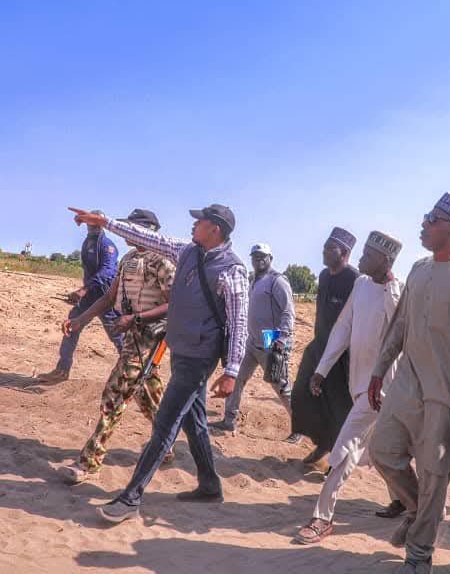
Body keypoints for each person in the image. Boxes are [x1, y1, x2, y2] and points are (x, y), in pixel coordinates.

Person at [67, 203, 247, 523]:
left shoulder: (233, 270)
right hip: (180, 349)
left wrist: (232, 371)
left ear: (215, 229)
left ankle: (131, 497)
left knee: (165, 424)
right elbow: (149, 238)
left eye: (199, 221)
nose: (193, 226)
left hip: (200, 356)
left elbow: (239, 323)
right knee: (194, 420)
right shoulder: (187, 251)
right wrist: (105, 222)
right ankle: (209, 485)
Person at [368, 193, 450, 574]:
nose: (423, 223)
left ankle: (419, 557)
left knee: (435, 475)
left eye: (432, 219)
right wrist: (379, 369)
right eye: (426, 216)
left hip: (447, 392)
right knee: (382, 452)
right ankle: (417, 510)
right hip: (407, 381)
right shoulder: (419, 270)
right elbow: (400, 326)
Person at [295, 231, 404, 544]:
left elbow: (400, 339)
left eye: (368, 255)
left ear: (385, 261)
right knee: (381, 449)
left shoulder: (396, 293)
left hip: (383, 389)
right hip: (358, 383)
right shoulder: (360, 285)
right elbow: (343, 328)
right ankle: (403, 500)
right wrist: (321, 369)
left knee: (345, 446)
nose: (361, 259)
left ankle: (322, 517)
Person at [55, 209, 177, 482]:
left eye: (131, 226)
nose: (125, 231)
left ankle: (89, 462)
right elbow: (110, 298)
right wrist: (79, 320)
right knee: (146, 394)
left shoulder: (163, 262)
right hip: (132, 336)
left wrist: (136, 318)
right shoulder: (129, 259)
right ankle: (166, 444)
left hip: (149, 339)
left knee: (115, 395)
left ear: (147, 229)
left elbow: (175, 304)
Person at [211, 243, 297, 438]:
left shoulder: (277, 281)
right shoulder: (252, 281)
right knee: (236, 378)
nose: (259, 260)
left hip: (271, 338)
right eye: (255, 257)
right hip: (251, 340)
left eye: (262, 257)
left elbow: (288, 312)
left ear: (270, 258)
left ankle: (299, 427)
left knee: (281, 385)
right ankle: (228, 420)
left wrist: (282, 339)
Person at [291, 227, 359, 465]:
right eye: (325, 247)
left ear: (346, 252)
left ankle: (339, 456)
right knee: (301, 392)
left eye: (331, 248)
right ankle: (322, 443)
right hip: (318, 345)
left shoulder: (355, 280)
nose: (325, 252)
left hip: (342, 353)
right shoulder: (323, 276)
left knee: (339, 404)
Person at [37, 213, 124, 383]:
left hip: (104, 297)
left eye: (95, 223)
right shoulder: (88, 242)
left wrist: (84, 289)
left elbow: (108, 272)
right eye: (89, 223)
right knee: (72, 325)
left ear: (102, 224)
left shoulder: (107, 245)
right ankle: (62, 370)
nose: (92, 226)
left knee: (117, 335)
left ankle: (137, 373)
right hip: (89, 296)